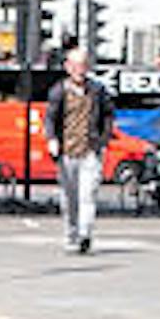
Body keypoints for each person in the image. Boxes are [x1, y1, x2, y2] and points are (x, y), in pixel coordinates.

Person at [40, 42, 113, 253]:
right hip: (67, 151)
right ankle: (71, 233)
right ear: (67, 67)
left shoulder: (97, 91)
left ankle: (85, 234)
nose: (79, 70)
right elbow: (51, 118)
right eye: (75, 65)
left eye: (82, 65)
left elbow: (108, 114)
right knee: (69, 197)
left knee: (88, 195)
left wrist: (103, 140)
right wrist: (52, 139)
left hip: (90, 150)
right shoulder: (58, 91)